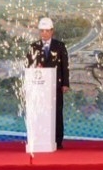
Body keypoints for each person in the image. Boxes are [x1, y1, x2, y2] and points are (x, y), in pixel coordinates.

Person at [27, 17, 70, 149]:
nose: (44, 33)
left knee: (57, 112)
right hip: (39, 86)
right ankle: (41, 137)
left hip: (56, 86)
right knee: (40, 111)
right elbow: (29, 66)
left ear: (52, 31)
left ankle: (58, 140)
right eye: (42, 31)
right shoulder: (34, 46)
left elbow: (64, 66)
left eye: (47, 31)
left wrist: (65, 84)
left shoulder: (60, 46)